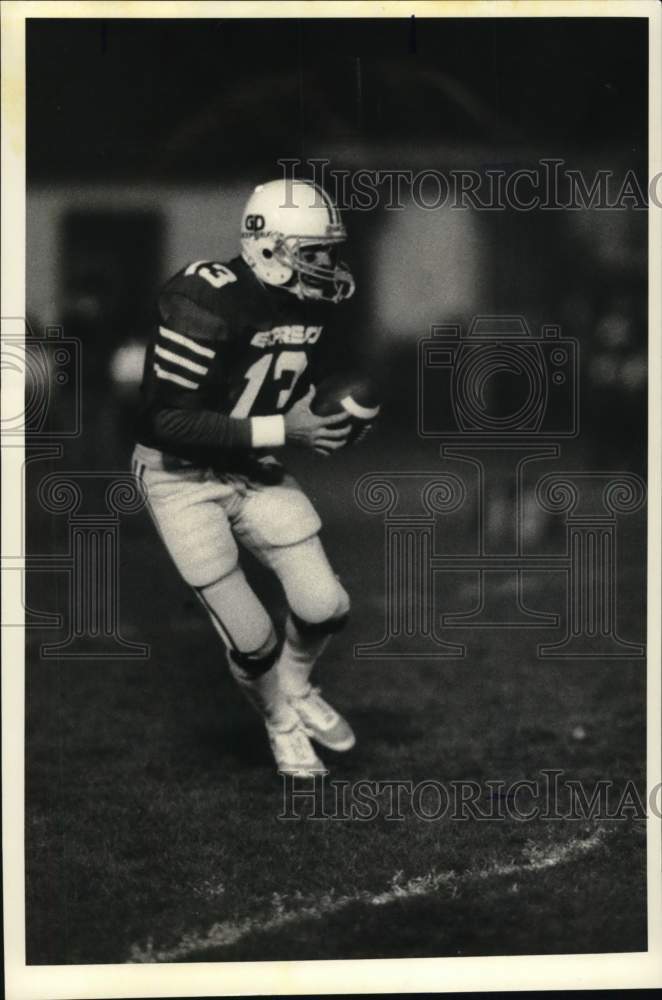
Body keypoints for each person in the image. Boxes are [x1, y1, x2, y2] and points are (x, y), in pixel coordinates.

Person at [132, 179, 361, 777]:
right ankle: (281, 722)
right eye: (314, 251)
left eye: (328, 250)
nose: (327, 264)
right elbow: (165, 422)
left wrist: (340, 415)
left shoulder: (307, 302)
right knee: (253, 639)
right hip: (180, 478)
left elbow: (297, 388)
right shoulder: (204, 298)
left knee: (326, 604)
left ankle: (297, 686)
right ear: (268, 247)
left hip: (249, 464)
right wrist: (285, 430)